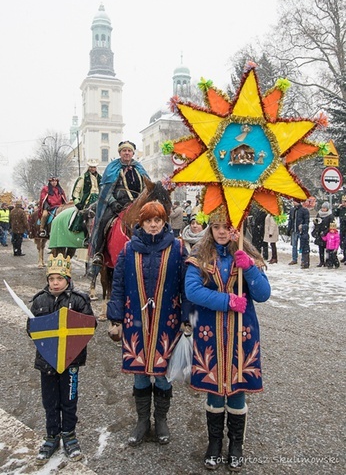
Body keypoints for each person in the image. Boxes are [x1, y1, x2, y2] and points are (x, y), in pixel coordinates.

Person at [184, 207, 270, 471]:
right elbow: (192, 291)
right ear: (210, 228)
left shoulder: (248, 255)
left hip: (241, 333)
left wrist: (250, 270)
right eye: (217, 227)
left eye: (227, 227)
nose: (222, 232)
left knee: (237, 387)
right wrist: (227, 300)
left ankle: (235, 444)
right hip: (210, 332)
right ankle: (214, 442)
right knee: (213, 387)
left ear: (238, 229)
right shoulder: (200, 255)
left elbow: (263, 294)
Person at [107, 201, 188, 447]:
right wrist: (116, 319)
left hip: (167, 322)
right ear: (140, 223)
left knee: (163, 375)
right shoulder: (129, 249)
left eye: (158, 220)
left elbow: (186, 285)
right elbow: (118, 284)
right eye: (148, 221)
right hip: (136, 322)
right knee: (140, 375)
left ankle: (161, 420)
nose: (153, 225)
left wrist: (186, 318)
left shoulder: (178, 248)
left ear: (164, 222)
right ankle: (142, 421)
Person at [27, 253, 95, 464]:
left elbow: (89, 326)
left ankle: (69, 435)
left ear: (68, 279)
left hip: (70, 362)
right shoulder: (39, 300)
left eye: (60, 279)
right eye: (51, 279)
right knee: (50, 401)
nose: (55, 283)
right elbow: (32, 330)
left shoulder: (79, 299)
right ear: (47, 280)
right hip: (46, 361)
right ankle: (51, 436)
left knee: (69, 400)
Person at [90, 141, 149, 266]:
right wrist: (113, 203)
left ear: (133, 153)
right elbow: (105, 191)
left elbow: (147, 188)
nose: (127, 153)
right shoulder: (112, 167)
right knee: (102, 221)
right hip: (117, 205)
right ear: (120, 153)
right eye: (124, 151)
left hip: (137, 205)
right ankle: (98, 253)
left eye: (129, 151)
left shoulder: (139, 168)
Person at [70, 159, 102, 235]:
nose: (92, 169)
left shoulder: (100, 178)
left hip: (99, 199)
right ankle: (87, 236)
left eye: (94, 167)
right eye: (91, 167)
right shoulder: (83, 177)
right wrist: (77, 202)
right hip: (88, 200)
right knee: (86, 216)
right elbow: (76, 191)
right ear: (88, 167)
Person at [311, 201, 334, 267]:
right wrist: (315, 223)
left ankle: (328, 261)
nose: (323, 209)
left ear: (327, 208)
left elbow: (332, 225)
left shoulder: (330, 215)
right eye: (322, 208)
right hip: (319, 234)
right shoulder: (319, 214)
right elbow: (317, 222)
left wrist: (325, 232)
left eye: (324, 208)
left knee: (328, 249)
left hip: (327, 235)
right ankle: (321, 261)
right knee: (320, 248)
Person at [287, 200, 309, 265]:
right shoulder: (292, 210)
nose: (294, 202)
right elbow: (290, 220)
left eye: (295, 201)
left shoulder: (304, 210)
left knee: (302, 246)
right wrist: (289, 229)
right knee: (294, 245)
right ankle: (294, 259)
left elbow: (306, 221)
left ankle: (303, 260)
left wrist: (303, 226)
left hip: (301, 230)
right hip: (294, 230)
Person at [334, 195, 346, 263]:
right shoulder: (341, 209)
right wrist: (338, 208)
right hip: (342, 228)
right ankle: (345, 256)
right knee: (342, 244)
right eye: (343, 202)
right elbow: (335, 214)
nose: (344, 203)